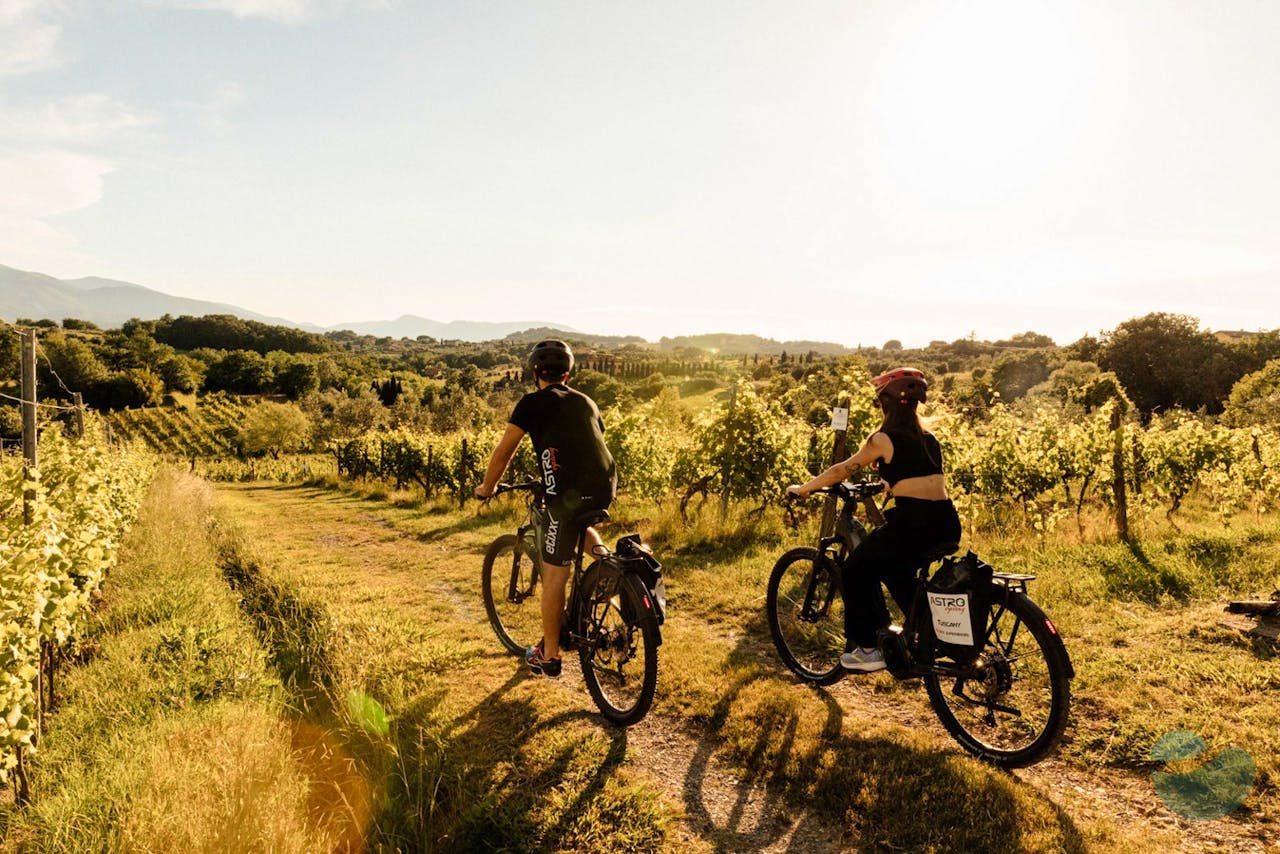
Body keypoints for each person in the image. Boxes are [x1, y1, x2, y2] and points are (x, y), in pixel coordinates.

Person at [785, 367, 961, 672]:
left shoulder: (883, 438)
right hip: (945, 522)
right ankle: (929, 634)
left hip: (913, 524)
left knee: (855, 569)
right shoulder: (929, 438)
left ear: (886, 403)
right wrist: (884, 484)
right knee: (895, 569)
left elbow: (843, 470)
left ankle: (868, 649)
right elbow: (915, 476)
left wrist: (804, 489)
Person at [475, 339, 616, 678]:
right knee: (579, 527)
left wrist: (487, 488)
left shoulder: (531, 403)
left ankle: (550, 656)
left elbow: (505, 451)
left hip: (564, 495)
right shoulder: (586, 401)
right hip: (604, 487)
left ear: (535, 371)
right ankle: (609, 566)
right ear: (568, 373)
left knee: (556, 574)